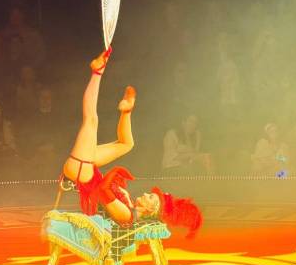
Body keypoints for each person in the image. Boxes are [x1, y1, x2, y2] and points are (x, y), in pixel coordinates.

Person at [62, 50, 203, 238]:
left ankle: (97, 72)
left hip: (81, 172)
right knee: (127, 144)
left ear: (150, 210)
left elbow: (103, 193)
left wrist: (114, 174)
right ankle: (126, 111)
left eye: (150, 198)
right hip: (88, 170)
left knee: (91, 121)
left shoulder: (128, 215)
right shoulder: (129, 203)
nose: (146, 194)